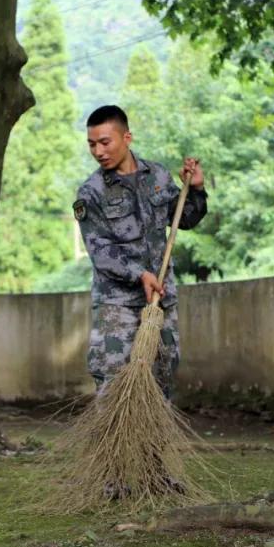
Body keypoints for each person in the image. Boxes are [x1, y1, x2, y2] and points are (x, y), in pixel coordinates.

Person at [73, 105, 207, 395]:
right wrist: (140, 274)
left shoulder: (157, 175)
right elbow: (100, 252)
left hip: (160, 301)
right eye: (92, 144)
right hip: (117, 306)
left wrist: (196, 189)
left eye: (104, 142)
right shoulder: (91, 193)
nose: (98, 151)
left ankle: (155, 428)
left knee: (162, 381)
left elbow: (184, 219)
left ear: (127, 138)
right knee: (113, 386)